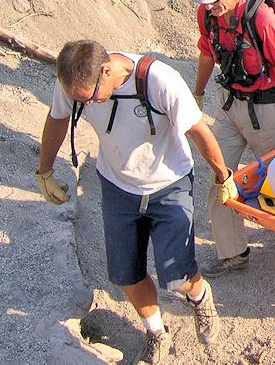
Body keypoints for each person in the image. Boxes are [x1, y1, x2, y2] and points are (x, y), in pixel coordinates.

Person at [35, 40, 228, 364]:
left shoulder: (158, 81)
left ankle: (199, 296)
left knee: (177, 274)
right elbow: (57, 119)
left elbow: (198, 130)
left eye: (90, 97)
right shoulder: (74, 82)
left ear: (107, 69)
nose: (87, 104)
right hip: (118, 187)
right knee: (126, 273)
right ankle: (155, 331)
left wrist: (224, 176)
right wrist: (44, 171)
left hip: (169, 184)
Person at [190, 0, 275, 271]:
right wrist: (197, 94)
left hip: (266, 111)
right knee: (220, 178)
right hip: (228, 107)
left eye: (215, 0)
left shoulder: (262, 20)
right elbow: (205, 52)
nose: (210, 6)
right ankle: (232, 253)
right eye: (205, 1)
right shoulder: (209, 14)